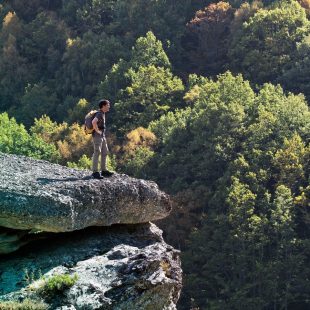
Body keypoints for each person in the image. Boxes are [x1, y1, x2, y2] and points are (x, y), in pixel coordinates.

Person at [91, 99, 114, 179]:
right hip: (97, 136)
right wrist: (97, 131)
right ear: (103, 106)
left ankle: (104, 170)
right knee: (97, 152)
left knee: (105, 152)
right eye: (108, 105)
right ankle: (95, 172)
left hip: (102, 136)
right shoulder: (99, 114)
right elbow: (94, 122)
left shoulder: (102, 113)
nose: (109, 107)